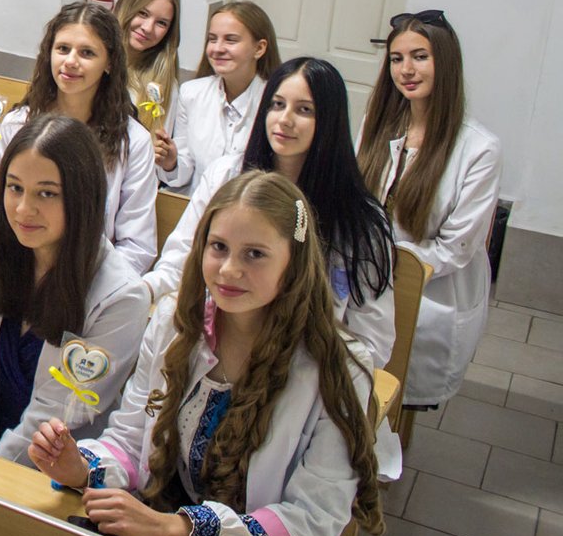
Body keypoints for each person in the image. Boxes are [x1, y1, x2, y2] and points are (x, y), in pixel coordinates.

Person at [29, 171, 384, 536]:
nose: (229, 269)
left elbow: (312, 519)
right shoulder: (175, 324)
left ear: (293, 262)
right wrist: (80, 467)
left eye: (255, 254)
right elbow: (132, 440)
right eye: (218, 247)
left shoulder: (338, 367)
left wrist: (178, 529)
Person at [148, 58, 398, 369]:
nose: (285, 120)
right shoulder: (227, 176)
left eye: (304, 110)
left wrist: (310, 372)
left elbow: (372, 340)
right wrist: (145, 292)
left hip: (305, 367)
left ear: (329, 120)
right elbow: (180, 259)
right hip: (216, 348)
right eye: (277, 105)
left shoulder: (359, 219)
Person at [0, 114, 149, 456]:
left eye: (46, 193)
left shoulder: (121, 297)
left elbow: (53, 419)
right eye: (15, 188)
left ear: (82, 198)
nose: (23, 209)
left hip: (45, 470)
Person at [358, 11, 501, 409]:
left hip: (427, 298)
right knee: (359, 391)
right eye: (397, 58)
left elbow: (455, 248)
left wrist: (385, 265)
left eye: (420, 56)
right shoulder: (376, 125)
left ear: (446, 62)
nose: (406, 70)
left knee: (397, 402)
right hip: (368, 288)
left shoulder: (479, 149)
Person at [0, 3, 157, 274]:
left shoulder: (133, 142)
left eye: (87, 53)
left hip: (93, 279)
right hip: (18, 269)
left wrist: (89, 286)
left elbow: (136, 247)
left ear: (109, 62)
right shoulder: (17, 124)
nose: (71, 61)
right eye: (63, 49)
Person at [158, 1, 281, 192]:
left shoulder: (276, 104)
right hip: (196, 203)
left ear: (259, 48)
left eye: (231, 40)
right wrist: (171, 163)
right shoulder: (191, 93)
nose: (217, 48)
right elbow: (185, 170)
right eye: (212, 39)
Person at [112, 0, 183, 169]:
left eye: (161, 23)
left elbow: (155, 165)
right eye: (142, 13)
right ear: (126, 7)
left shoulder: (165, 86)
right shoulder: (94, 62)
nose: (148, 28)